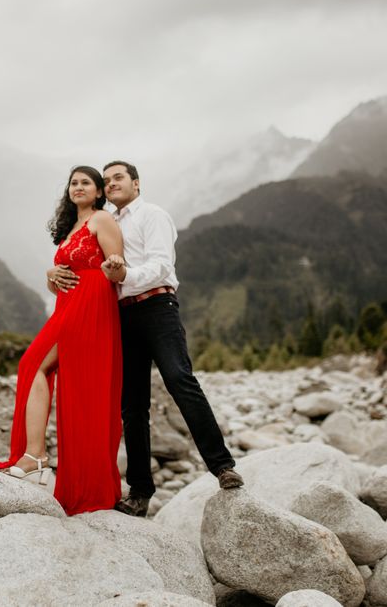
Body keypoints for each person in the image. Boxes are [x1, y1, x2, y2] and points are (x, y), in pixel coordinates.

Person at [97, 160, 243, 516]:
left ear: (136, 182)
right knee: (132, 404)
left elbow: (162, 265)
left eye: (119, 177)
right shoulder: (106, 224)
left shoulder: (153, 215)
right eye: (107, 180)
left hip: (157, 306)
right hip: (124, 316)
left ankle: (222, 466)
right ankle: (140, 492)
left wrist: (124, 276)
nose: (112, 183)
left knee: (179, 378)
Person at [0, 166, 125, 516]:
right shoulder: (71, 228)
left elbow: (117, 267)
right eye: (73, 183)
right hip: (67, 306)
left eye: (86, 183)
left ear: (99, 192)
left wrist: (113, 267)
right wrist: (51, 276)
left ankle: (39, 459)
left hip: (92, 306)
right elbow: (64, 276)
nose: (78, 187)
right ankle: (36, 457)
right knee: (36, 368)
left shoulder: (102, 220)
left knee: (54, 375)